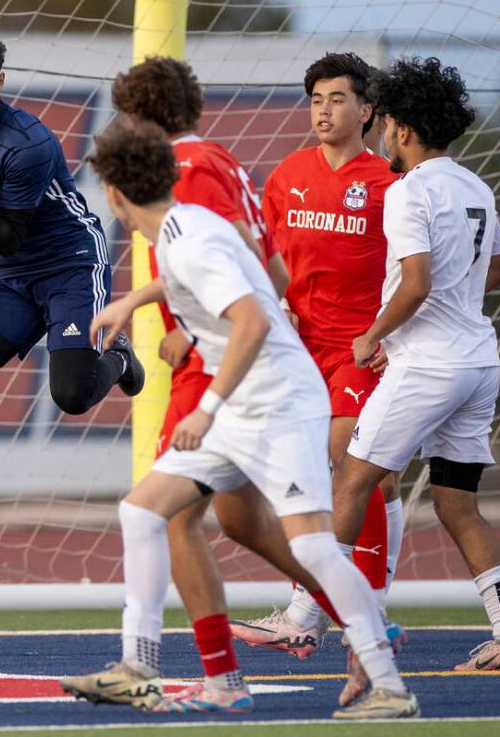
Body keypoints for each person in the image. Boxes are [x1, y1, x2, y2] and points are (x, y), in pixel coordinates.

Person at [60, 119, 418, 720]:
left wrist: (205, 408)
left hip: (278, 404)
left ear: (117, 196)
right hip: (241, 407)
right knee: (143, 510)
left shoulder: (187, 238)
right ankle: (141, 668)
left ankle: (388, 684)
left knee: (315, 549)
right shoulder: (185, 226)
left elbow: (252, 320)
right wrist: (131, 300)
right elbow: (241, 274)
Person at [109, 58, 337, 695]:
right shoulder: (220, 160)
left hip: (219, 368)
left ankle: (171, 669)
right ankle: (357, 615)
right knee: (239, 523)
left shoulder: (192, 169)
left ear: (140, 117)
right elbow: (267, 264)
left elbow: (230, 252)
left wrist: (189, 327)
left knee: (164, 516)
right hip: (234, 360)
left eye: (127, 117)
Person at [330, 56, 500, 672]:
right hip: (478, 360)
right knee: (456, 503)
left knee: (351, 477)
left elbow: (416, 283)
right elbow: (494, 269)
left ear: (403, 128)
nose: (384, 134)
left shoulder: (407, 190)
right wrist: (454, 300)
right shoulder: (476, 184)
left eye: (387, 121)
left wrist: (372, 335)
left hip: (428, 364)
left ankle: (309, 612)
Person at [0, 20, 144, 552]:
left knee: (71, 395)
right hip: (14, 276)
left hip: (70, 263)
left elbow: (9, 235)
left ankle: (120, 360)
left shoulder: (28, 142)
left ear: (0, 79)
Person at [232, 53, 406, 662]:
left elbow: (416, 274)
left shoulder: (389, 185)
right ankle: (354, 607)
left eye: (336, 99)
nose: (324, 111)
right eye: (315, 100)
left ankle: (332, 611)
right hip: (301, 349)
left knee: (350, 466)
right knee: (349, 479)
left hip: (362, 349)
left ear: (367, 110)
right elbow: (265, 259)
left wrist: (394, 338)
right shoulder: (286, 176)